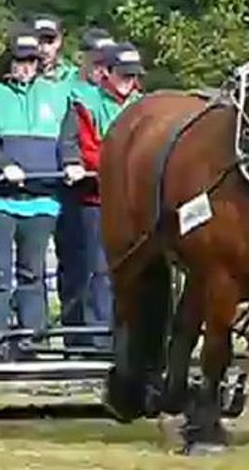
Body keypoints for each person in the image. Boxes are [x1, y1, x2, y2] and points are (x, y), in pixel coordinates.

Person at [0, 26, 86, 346]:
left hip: (42, 200)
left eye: (31, 61)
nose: (25, 67)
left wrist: (72, 163)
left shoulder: (58, 94)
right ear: (8, 61)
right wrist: (3, 165)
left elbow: (68, 141)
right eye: (19, 61)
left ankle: (33, 343)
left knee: (33, 275)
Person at [60, 41, 144, 348]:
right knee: (98, 269)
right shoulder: (84, 102)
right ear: (105, 72)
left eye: (133, 75)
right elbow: (83, 147)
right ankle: (98, 339)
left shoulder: (144, 104)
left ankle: (133, 337)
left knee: (136, 270)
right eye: (123, 74)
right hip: (97, 199)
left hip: (136, 202)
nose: (129, 81)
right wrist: (123, 165)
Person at [32, 14, 76, 83]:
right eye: (39, 42)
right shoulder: (18, 79)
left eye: (50, 42)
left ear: (60, 40)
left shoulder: (72, 77)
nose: (45, 49)